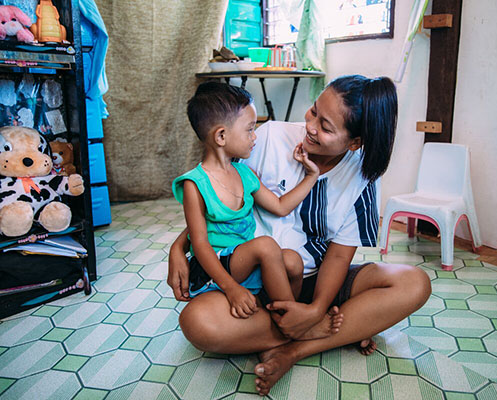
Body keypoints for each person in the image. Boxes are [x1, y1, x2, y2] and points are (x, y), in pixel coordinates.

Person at [168, 75, 432, 396]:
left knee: (414, 283)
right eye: (313, 111)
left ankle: (292, 349)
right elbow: (220, 197)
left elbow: (338, 254)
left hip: (315, 281)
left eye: (326, 126)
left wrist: (316, 309)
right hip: (254, 283)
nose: (310, 125)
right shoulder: (265, 138)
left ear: (354, 142)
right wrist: (178, 247)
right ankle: (338, 331)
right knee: (196, 322)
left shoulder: (362, 177)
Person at [173, 81, 342, 338]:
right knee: (265, 245)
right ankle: (298, 330)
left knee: (294, 262)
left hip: (242, 259)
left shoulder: (244, 174)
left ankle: (285, 316)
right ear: (221, 136)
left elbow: (280, 206)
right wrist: (231, 289)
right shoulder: (194, 184)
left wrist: (311, 175)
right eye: (250, 130)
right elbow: (201, 245)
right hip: (213, 267)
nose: (255, 137)